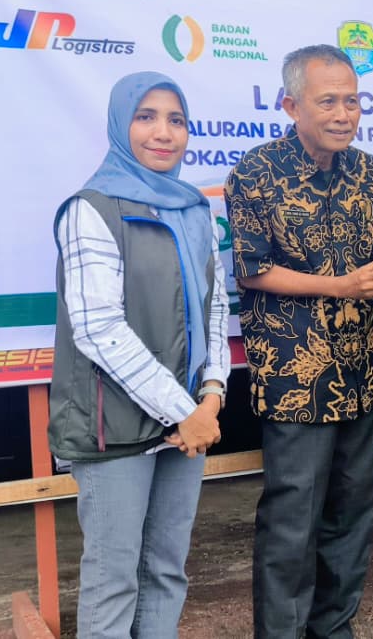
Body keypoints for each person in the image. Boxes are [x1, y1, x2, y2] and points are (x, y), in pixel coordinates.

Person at [225, 45, 373, 638]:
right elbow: (252, 270)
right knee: (293, 518)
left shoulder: (365, 171)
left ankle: (333, 629)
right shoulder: (255, 172)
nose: (343, 114)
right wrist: (340, 286)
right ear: (291, 106)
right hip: (294, 375)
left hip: (358, 371)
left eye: (352, 101)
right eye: (328, 101)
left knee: (353, 512)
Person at [49, 71, 229, 637]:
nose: (163, 133)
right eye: (146, 117)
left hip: (189, 419)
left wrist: (212, 393)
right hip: (116, 426)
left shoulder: (194, 209)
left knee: (167, 570)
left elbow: (216, 307)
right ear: (120, 125)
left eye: (176, 120)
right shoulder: (91, 209)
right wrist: (185, 411)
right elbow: (99, 329)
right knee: (114, 579)